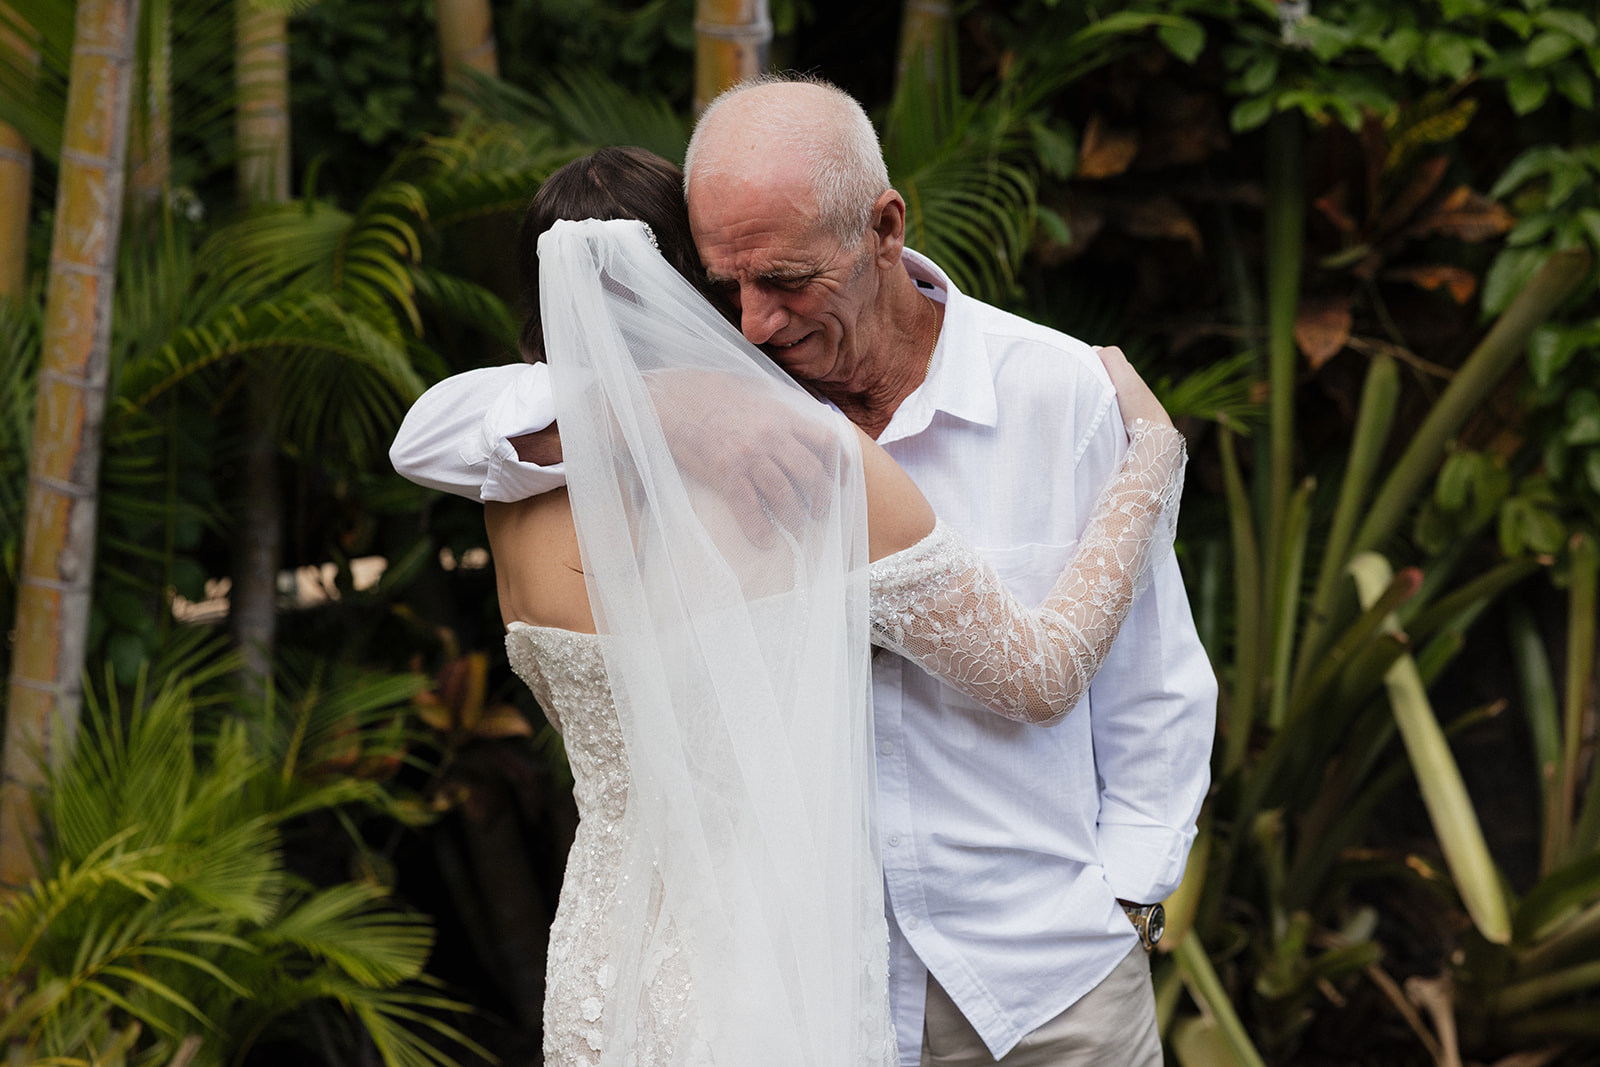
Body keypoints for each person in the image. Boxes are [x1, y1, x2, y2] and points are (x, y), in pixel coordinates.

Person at [393, 80, 1214, 1066]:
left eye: (782, 281)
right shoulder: (796, 454)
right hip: (804, 985)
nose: (752, 325)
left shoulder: (1053, 391)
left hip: (1013, 972)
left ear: (882, 228)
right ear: (685, 286)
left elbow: (1154, 684)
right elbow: (1038, 671)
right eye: (724, 287)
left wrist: (1128, 894)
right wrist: (1152, 466)